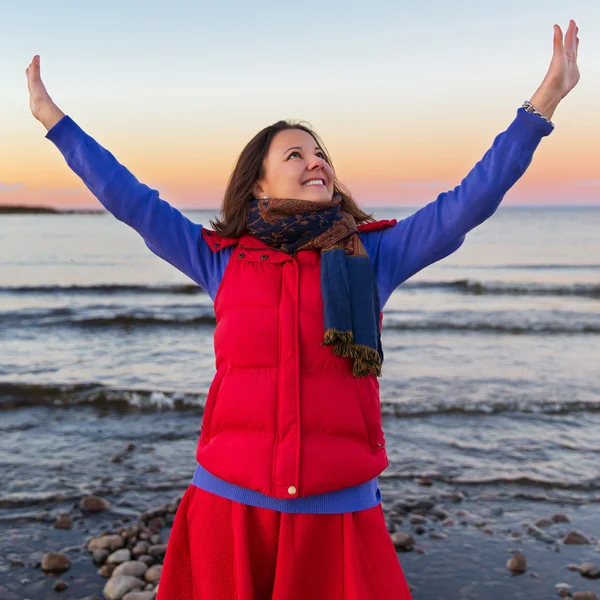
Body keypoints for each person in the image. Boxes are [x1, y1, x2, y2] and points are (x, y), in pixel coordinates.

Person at [25, 19, 580, 600]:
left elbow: (468, 202)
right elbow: (131, 200)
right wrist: (54, 122)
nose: (317, 162)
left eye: (321, 154)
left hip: (336, 514)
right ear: (259, 187)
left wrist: (542, 103)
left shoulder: (373, 255)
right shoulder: (221, 259)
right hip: (229, 504)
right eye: (296, 154)